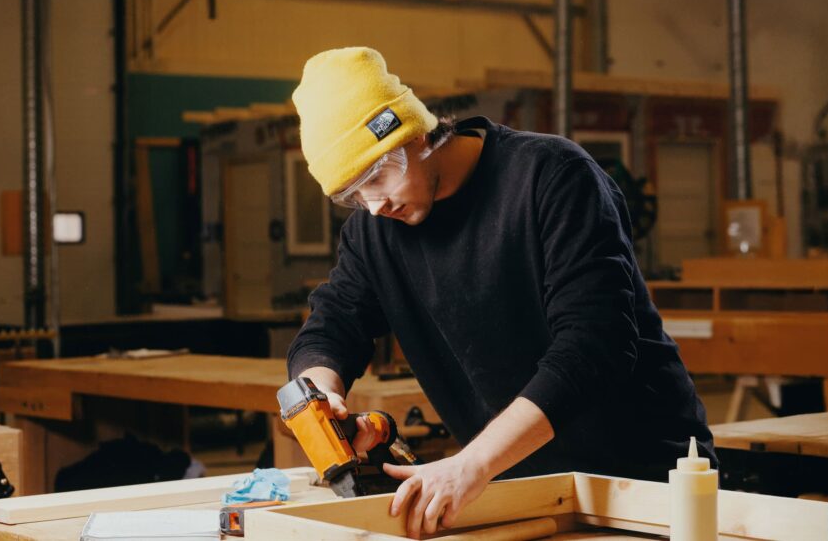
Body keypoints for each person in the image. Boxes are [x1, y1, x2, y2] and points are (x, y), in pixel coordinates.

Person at [286, 47, 714, 539]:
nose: (375, 203)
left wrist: (472, 464)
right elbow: (334, 322)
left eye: (378, 176)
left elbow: (595, 345)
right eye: (354, 194)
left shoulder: (551, 176)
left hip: (643, 479)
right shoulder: (373, 232)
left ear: (417, 133)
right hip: (517, 488)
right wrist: (319, 398)